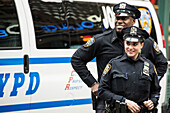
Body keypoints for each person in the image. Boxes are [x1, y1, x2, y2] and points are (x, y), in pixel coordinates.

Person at [71, 2, 167, 113]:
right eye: (117, 17)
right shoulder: (101, 40)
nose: (119, 21)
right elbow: (77, 59)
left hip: (137, 104)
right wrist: (92, 83)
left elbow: (162, 64)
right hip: (108, 102)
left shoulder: (146, 42)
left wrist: (150, 83)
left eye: (124, 18)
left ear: (133, 21)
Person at [98, 26, 161, 113]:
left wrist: (152, 102)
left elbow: (156, 90)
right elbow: (102, 91)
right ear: (124, 43)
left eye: (135, 44)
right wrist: (124, 101)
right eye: (128, 43)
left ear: (141, 45)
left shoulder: (149, 66)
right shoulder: (114, 64)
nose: (130, 48)